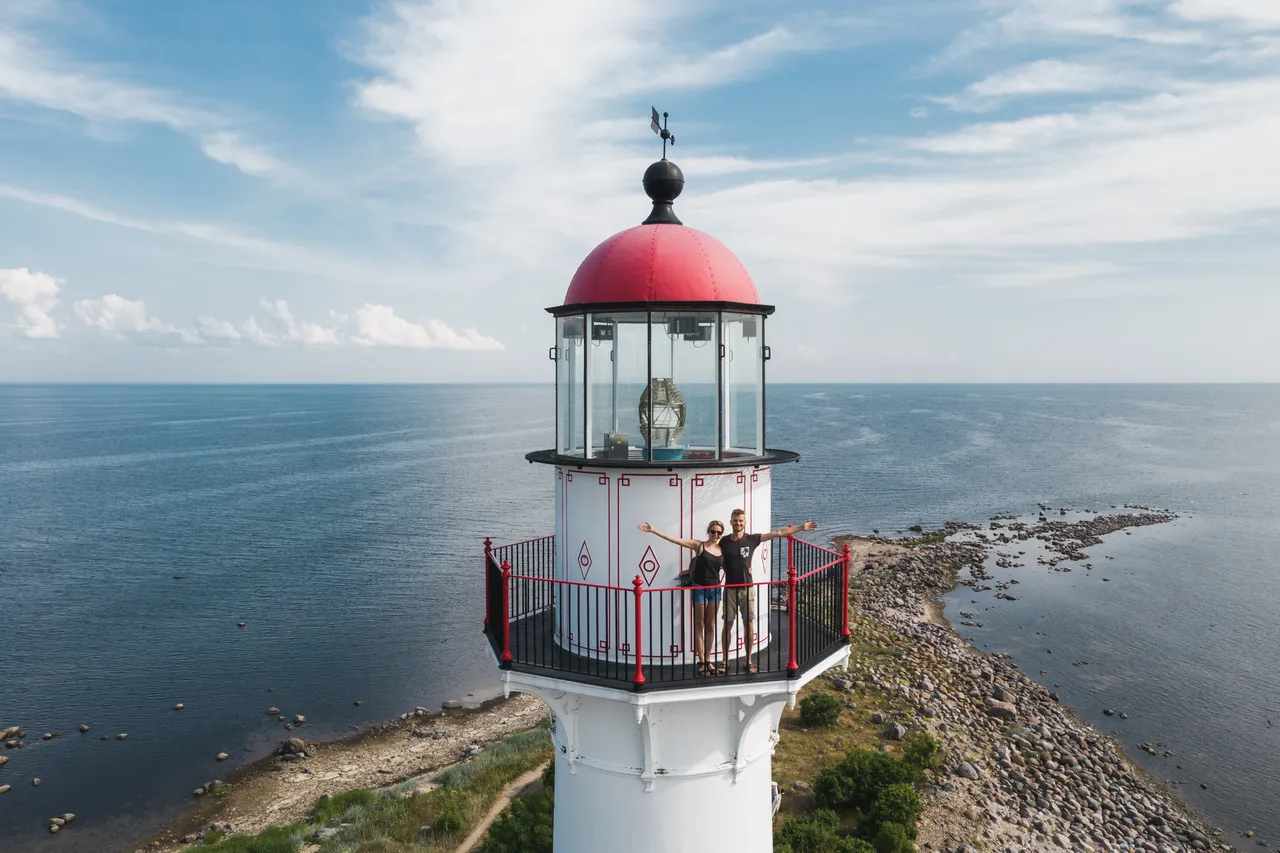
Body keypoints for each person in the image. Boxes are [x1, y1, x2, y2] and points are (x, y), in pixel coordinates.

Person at [721, 509, 817, 675]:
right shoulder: (723, 541)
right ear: (730, 522)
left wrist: (801, 527)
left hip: (747, 589)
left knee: (748, 624)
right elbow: (711, 553)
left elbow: (778, 532)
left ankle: (748, 661)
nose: (738, 523)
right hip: (729, 589)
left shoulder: (751, 539)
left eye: (741, 521)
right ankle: (724, 661)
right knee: (728, 624)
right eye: (735, 520)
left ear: (745, 522)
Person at [637, 519, 725, 675]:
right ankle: (701, 661)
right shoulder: (699, 546)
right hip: (699, 588)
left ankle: (709, 660)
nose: (715, 534)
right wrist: (654, 530)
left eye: (719, 532)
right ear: (708, 531)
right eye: (713, 531)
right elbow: (676, 540)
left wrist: (748, 568)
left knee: (711, 625)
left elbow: (731, 565)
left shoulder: (721, 550)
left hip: (715, 589)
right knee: (699, 625)